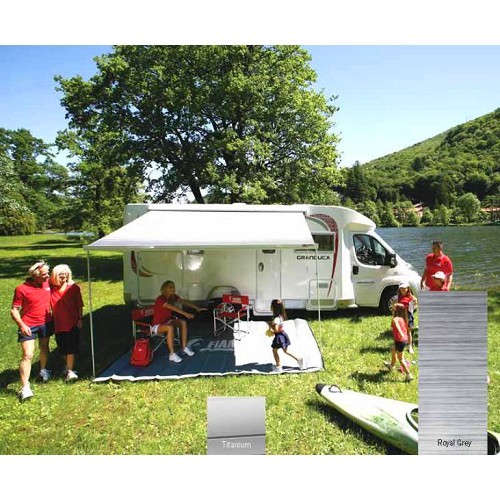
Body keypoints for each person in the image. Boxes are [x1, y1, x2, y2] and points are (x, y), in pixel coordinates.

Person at [11, 261, 53, 401]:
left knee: (44, 347)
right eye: (44, 274)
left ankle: (43, 370)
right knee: (28, 355)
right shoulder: (21, 289)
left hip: (45, 322)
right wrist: (22, 325)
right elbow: (14, 310)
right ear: (35, 275)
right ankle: (25, 387)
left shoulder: (47, 283)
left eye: (48, 273)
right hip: (29, 325)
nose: (48, 276)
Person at [152, 280, 207, 363]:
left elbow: (184, 302)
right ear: (165, 289)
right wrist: (186, 314)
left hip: (167, 321)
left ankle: (184, 347)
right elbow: (172, 308)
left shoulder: (173, 297)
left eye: (173, 287)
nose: (173, 289)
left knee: (183, 322)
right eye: (170, 287)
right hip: (157, 325)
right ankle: (172, 355)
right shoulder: (160, 299)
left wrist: (197, 308)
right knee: (170, 327)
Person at [50, 264, 84, 381]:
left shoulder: (74, 288)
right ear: (55, 275)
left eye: (66, 273)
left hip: (72, 322)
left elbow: (79, 305)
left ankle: (70, 371)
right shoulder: (51, 288)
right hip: (58, 323)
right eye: (61, 274)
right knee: (62, 348)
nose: (64, 275)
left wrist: (80, 318)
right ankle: (68, 366)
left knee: (71, 347)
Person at [269, 299, 303, 372]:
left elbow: (276, 329)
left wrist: (272, 331)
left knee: (274, 351)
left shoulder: (276, 319)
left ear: (274, 308)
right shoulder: (281, 316)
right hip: (283, 335)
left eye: (271, 306)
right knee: (285, 351)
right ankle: (299, 359)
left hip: (279, 337)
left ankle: (278, 367)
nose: (270, 307)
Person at [384, 303, 413, 381]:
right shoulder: (402, 318)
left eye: (393, 308)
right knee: (393, 349)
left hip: (400, 341)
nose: (391, 309)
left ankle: (409, 375)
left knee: (401, 359)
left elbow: (396, 325)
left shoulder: (395, 319)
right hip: (402, 340)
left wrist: (400, 331)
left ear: (396, 311)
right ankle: (392, 365)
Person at [397, 282, 418, 354]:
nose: (403, 290)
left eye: (404, 288)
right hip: (400, 316)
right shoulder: (399, 296)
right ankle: (402, 344)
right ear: (399, 289)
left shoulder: (411, 298)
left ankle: (410, 346)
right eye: (401, 288)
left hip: (408, 316)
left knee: (408, 331)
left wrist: (415, 302)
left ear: (408, 288)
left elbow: (414, 306)